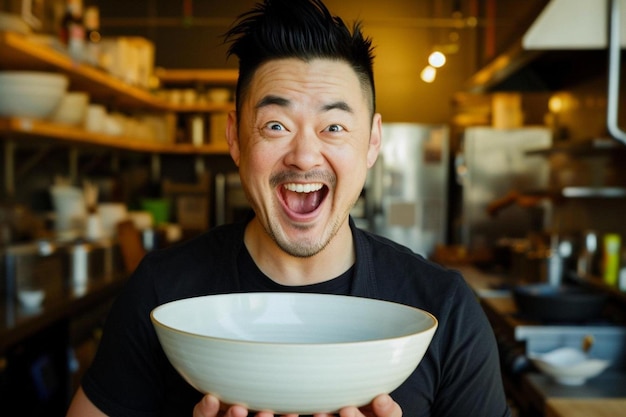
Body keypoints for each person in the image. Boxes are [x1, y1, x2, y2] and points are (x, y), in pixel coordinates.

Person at [67, 0, 512, 416]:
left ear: (373, 141)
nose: (304, 155)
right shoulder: (161, 294)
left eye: (333, 126)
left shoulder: (445, 310)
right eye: (275, 125)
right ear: (235, 137)